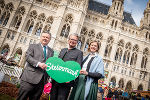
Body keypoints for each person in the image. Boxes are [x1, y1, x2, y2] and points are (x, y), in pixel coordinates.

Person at [17, 32, 54, 100]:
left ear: (50, 39)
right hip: (29, 79)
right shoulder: (32, 46)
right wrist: (38, 64)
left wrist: (48, 79)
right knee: (21, 98)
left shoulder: (51, 51)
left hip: (41, 82)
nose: (45, 38)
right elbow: (28, 57)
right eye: (44, 36)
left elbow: (50, 64)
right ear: (40, 37)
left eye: (47, 37)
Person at [50, 33, 83, 100]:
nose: (73, 41)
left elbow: (77, 67)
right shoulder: (63, 50)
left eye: (75, 40)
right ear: (68, 40)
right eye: (71, 39)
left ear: (77, 42)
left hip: (66, 82)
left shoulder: (79, 53)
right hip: (55, 80)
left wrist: (70, 79)